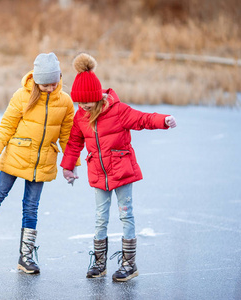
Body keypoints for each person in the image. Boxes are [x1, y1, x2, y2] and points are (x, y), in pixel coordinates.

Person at [60, 53, 177, 282]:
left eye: (86, 101)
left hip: (122, 172)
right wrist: (68, 167)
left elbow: (142, 119)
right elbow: (74, 142)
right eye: (79, 102)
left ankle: (129, 264)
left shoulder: (118, 110)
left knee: (126, 216)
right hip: (98, 173)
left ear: (97, 96)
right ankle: (100, 262)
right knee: (100, 218)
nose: (83, 105)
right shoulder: (80, 117)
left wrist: (163, 120)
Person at [0, 52, 77, 274]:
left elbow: (68, 136)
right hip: (16, 155)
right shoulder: (22, 96)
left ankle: (25, 257)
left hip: (42, 161)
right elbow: (7, 125)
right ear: (36, 80)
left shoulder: (65, 101)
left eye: (53, 82)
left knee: (31, 208)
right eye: (45, 84)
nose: (50, 87)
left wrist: (70, 164)